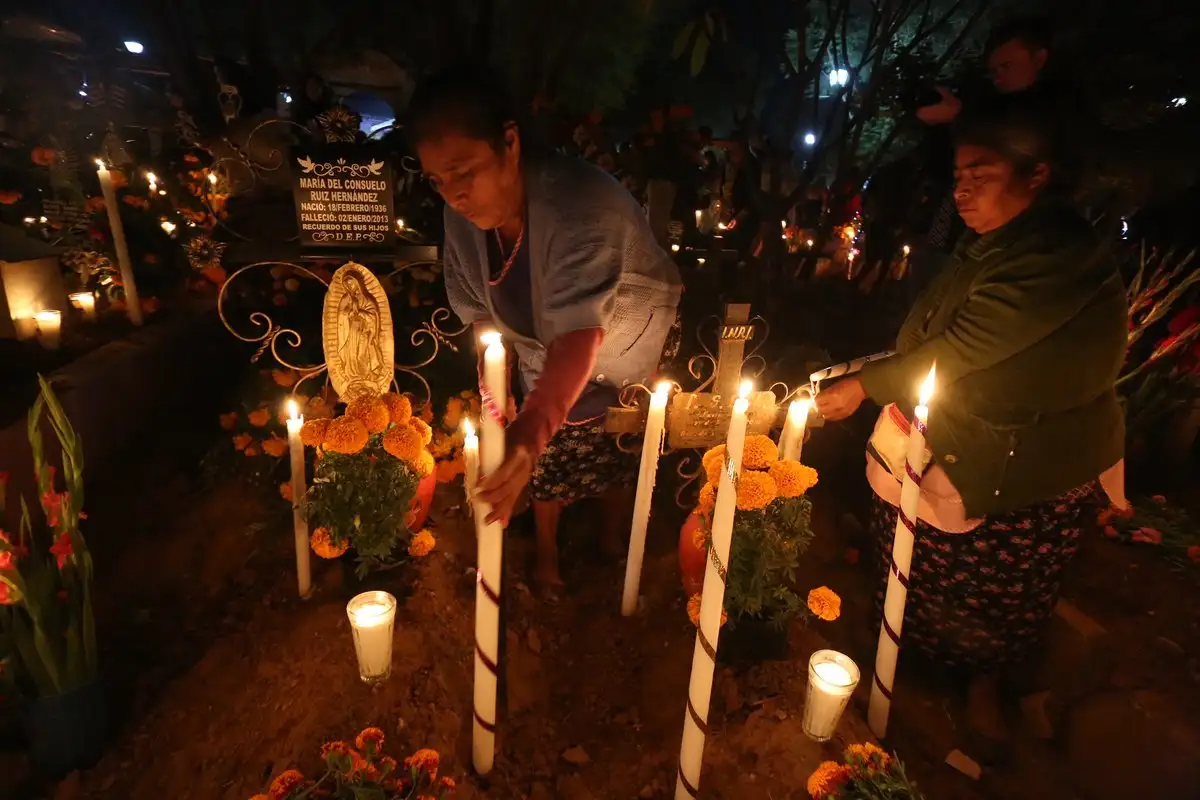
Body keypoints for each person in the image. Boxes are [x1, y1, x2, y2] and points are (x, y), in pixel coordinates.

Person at [815, 107, 1126, 755]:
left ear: (1037, 174)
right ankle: (900, 654)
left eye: (980, 174)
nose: (961, 191)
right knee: (913, 563)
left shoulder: (1057, 254)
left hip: (1019, 457)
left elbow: (964, 348)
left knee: (995, 588)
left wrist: (866, 386)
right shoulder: (990, 243)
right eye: (958, 175)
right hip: (945, 427)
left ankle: (982, 685)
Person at [406, 66, 683, 594]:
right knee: (550, 449)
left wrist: (529, 430)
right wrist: (500, 391)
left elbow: (579, 333)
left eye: (464, 172)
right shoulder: (463, 218)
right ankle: (549, 553)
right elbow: (482, 313)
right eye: (438, 181)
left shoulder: (580, 205)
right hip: (545, 349)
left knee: (616, 444)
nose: (454, 195)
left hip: (628, 337)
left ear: (509, 142)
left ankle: (610, 541)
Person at [908, 17, 1070, 299]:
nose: (998, 77)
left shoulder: (1055, 113)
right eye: (993, 70)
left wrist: (961, 116)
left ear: (1039, 58)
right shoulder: (993, 108)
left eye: (1007, 66)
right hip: (951, 236)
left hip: (994, 245)